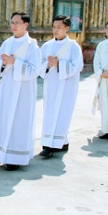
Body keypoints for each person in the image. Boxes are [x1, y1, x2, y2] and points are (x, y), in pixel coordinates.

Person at [0, 12, 41, 171]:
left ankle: (14, 158)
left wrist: (14, 63)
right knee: (0, 118)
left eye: (17, 22)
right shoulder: (7, 43)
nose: (13, 25)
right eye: (12, 22)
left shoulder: (32, 46)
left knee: (19, 121)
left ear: (26, 25)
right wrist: (3, 64)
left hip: (23, 90)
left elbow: (34, 71)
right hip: (6, 87)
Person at [38, 15, 83, 157]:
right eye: (54, 27)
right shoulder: (47, 46)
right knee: (49, 112)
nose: (55, 30)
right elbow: (39, 65)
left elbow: (77, 66)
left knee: (63, 112)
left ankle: (56, 143)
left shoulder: (74, 47)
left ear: (67, 28)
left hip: (67, 86)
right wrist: (47, 64)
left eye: (59, 27)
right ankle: (48, 143)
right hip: (51, 84)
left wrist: (59, 64)